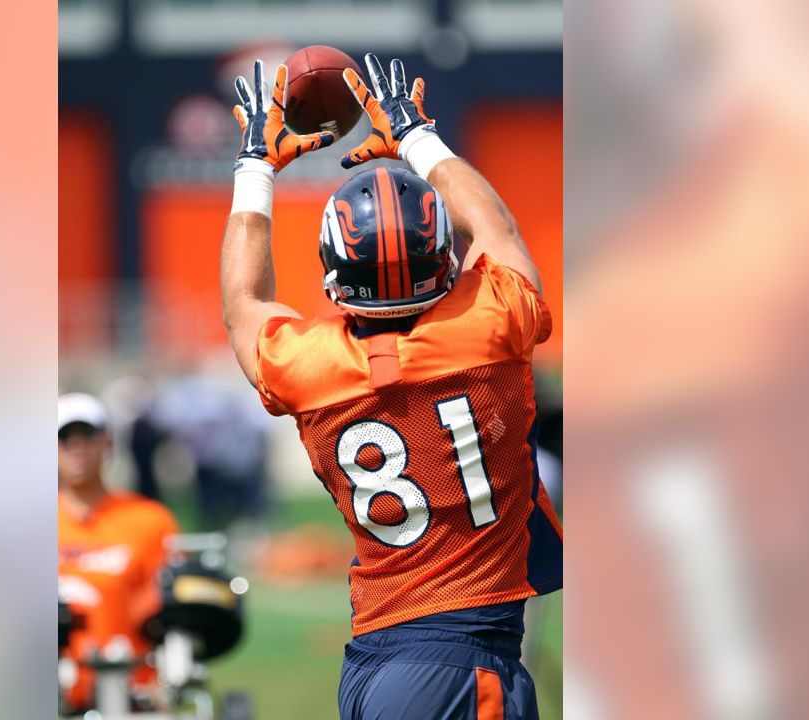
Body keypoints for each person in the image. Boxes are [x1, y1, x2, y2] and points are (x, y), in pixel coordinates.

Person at [219, 54, 563, 719]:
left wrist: (254, 168)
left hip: (377, 655)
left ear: (332, 268)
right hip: (463, 656)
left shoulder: (309, 367)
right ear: (441, 254)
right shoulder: (488, 330)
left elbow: (242, 302)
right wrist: (415, 132)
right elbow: (497, 231)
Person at [56, 393, 179, 714]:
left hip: (134, 691)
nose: (76, 445)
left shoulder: (150, 520)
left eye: (87, 435)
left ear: (107, 443)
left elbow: (169, 610)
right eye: (64, 437)